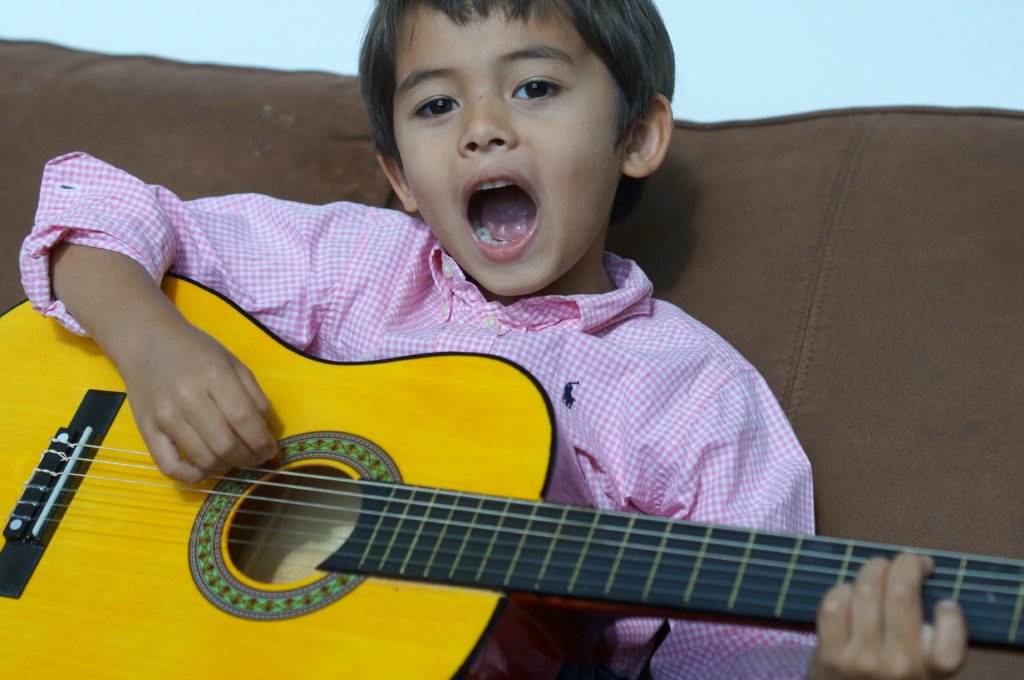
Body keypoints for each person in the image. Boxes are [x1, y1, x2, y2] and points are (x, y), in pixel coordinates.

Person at [19, 1, 967, 677]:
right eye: (436, 105)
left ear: (636, 135)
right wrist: (151, 347)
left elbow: (740, 658)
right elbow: (97, 206)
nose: (480, 130)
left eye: (535, 88)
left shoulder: (696, 403)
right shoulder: (358, 269)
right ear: (399, 175)